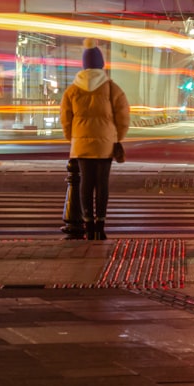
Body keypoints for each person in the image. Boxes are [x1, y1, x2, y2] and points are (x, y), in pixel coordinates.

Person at [60, 39, 130, 240]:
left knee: (85, 184)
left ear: (83, 64)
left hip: (81, 144)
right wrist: (118, 137)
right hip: (105, 144)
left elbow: (65, 118)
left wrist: (72, 138)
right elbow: (123, 115)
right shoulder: (111, 88)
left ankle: (88, 224)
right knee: (102, 184)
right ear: (101, 64)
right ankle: (100, 226)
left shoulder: (72, 90)